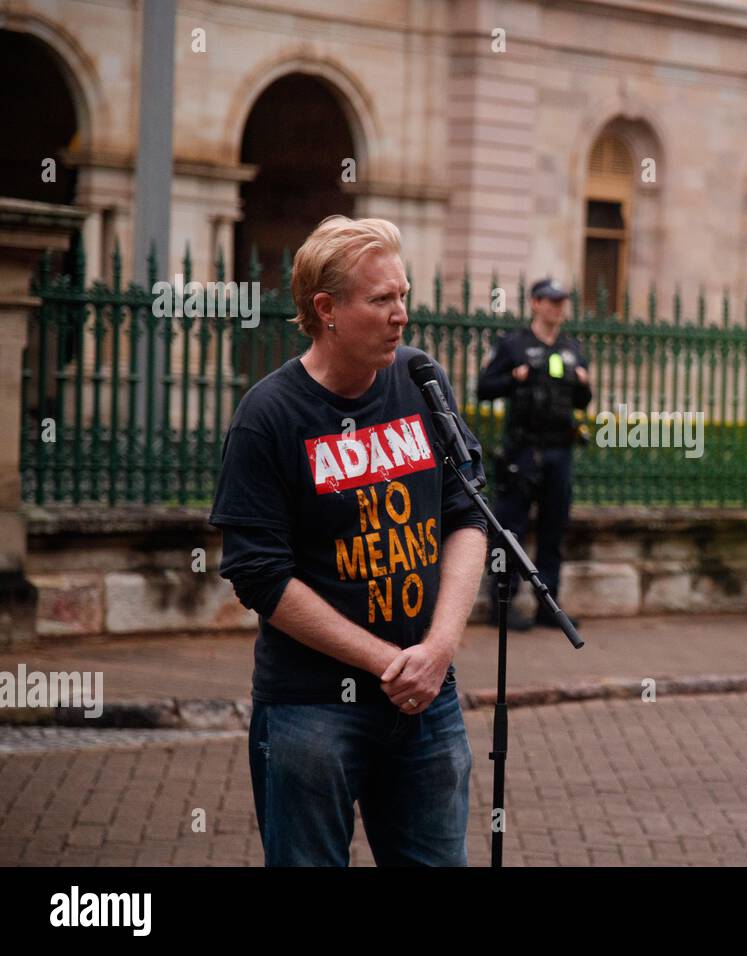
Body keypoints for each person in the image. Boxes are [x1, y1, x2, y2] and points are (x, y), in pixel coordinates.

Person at [210, 215, 488, 866]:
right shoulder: (269, 415)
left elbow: (468, 513)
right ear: (327, 309)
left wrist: (439, 648)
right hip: (312, 709)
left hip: (428, 699)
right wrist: (387, 662)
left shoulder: (422, 382)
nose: (402, 315)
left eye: (405, 295)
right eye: (382, 299)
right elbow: (259, 575)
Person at [477, 278, 592, 630]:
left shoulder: (572, 349)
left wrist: (585, 385)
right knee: (509, 529)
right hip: (523, 450)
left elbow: (583, 402)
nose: (557, 307)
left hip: (560, 450)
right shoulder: (513, 345)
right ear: (535, 303)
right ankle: (502, 605)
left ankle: (549, 606)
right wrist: (515, 377)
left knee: (553, 530)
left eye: (561, 301)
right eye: (550, 301)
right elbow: (483, 388)